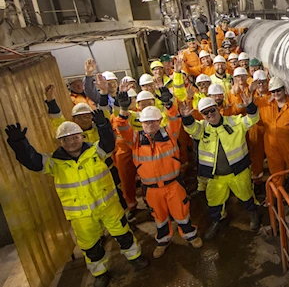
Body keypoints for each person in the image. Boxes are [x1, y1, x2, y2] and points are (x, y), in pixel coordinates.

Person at [5, 113, 149, 287]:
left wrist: (103, 125)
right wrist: (20, 144)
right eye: (66, 139)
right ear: (59, 142)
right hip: (81, 216)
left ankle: (135, 257)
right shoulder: (54, 163)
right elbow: (33, 161)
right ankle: (100, 273)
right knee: (91, 247)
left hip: (108, 207)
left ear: (82, 136)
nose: (71, 142)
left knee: (123, 234)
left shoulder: (96, 151)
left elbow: (108, 143)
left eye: (75, 137)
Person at [115, 89, 203, 258]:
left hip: (173, 185)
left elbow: (175, 119)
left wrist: (169, 104)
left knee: (182, 213)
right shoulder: (135, 140)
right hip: (151, 189)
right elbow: (122, 126)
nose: (150, 125)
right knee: (159, 217)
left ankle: (190, 236)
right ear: (141, 123)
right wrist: (123, 111)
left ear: (159, 121)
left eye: (154, 121)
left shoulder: (170, 134)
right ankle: (163, 240)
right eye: (147, 122)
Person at [181, 94, 260, 239]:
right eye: (205, 113)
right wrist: (186, 117)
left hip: (238, 172)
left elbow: (253, 119)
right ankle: (216, 221)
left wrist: (250, 106)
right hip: (216, 176)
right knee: (214, 202)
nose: (210, 114)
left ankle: (253, 215)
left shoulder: (234, 122)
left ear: (218, 109)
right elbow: (191, 128)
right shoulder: (202, 128)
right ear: (202, 115)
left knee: (246, 195)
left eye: (212, 110)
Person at [45, 78, 128, 212]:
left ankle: (123, 213)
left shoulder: (98, 127)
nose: (84, 119)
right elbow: (58, 121)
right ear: (74, 119)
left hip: (108, 167)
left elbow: (105, 114)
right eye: (80, 117)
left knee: (115, 193)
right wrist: (51, 101)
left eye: (87, 116)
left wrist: (103, 92)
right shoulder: (71, 135)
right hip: (86, 173)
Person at [255, 77, 289, 197]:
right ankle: (278, 195)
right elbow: (256, 117)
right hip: (272, 147)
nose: (276, 94)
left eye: (278, 90)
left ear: (284, 89)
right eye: (273, 91)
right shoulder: (266, 105)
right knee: (276, 172)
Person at [248, 70, 269, 187]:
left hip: (269, 128)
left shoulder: (272, 95)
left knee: (273, 153)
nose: (261, 85)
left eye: (263, 82)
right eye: (258, 83)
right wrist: (250, 91)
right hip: (256, 129)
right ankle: (257, 179)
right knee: (256, 154)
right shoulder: (251, 96)